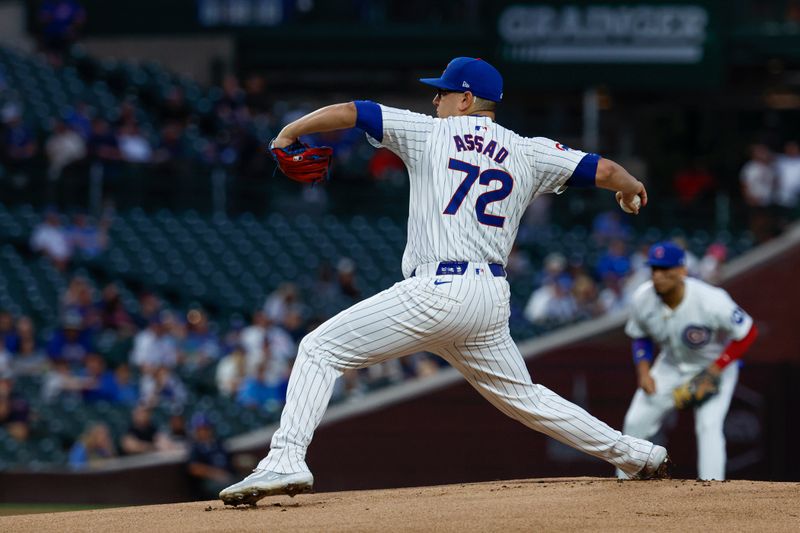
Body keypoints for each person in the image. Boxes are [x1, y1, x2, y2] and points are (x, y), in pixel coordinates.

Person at [220, 56, 668, 506]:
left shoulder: (429, 132)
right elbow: (607, 171)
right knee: (528, 399)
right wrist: (631, 189)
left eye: (443, 92)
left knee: (320, 349)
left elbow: (356, 110)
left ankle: (285, 459)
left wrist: (289, 132)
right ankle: (636, 454)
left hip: (439, 289)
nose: (435, 99)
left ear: (467, 98)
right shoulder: (529, 150)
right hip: (489, 298)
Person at [619, 242, 758, 481]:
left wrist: (717, 368)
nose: (658, 276)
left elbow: (747, 332)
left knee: (708, 427)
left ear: (682, 270)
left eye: (665, 269)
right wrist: (643, 371)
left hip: (714, 365)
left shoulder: (711, 299)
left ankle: (712, 490)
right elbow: (639, 335)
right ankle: (625, 482)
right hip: (670, 365)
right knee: (635, 422)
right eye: (654, 269)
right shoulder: (642, 298)